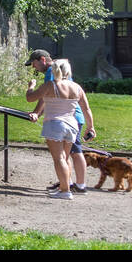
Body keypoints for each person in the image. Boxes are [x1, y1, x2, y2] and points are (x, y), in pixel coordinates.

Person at [25, 55, 95, 199]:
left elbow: (30, 98)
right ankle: (65, 187)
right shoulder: (77, 87)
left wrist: (30, 87)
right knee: (65, 157)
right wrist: (90, 127)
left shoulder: (51, 85)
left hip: (55, 124)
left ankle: (65, 191)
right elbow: (86, 109)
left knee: (59, 159)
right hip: (72, 124)